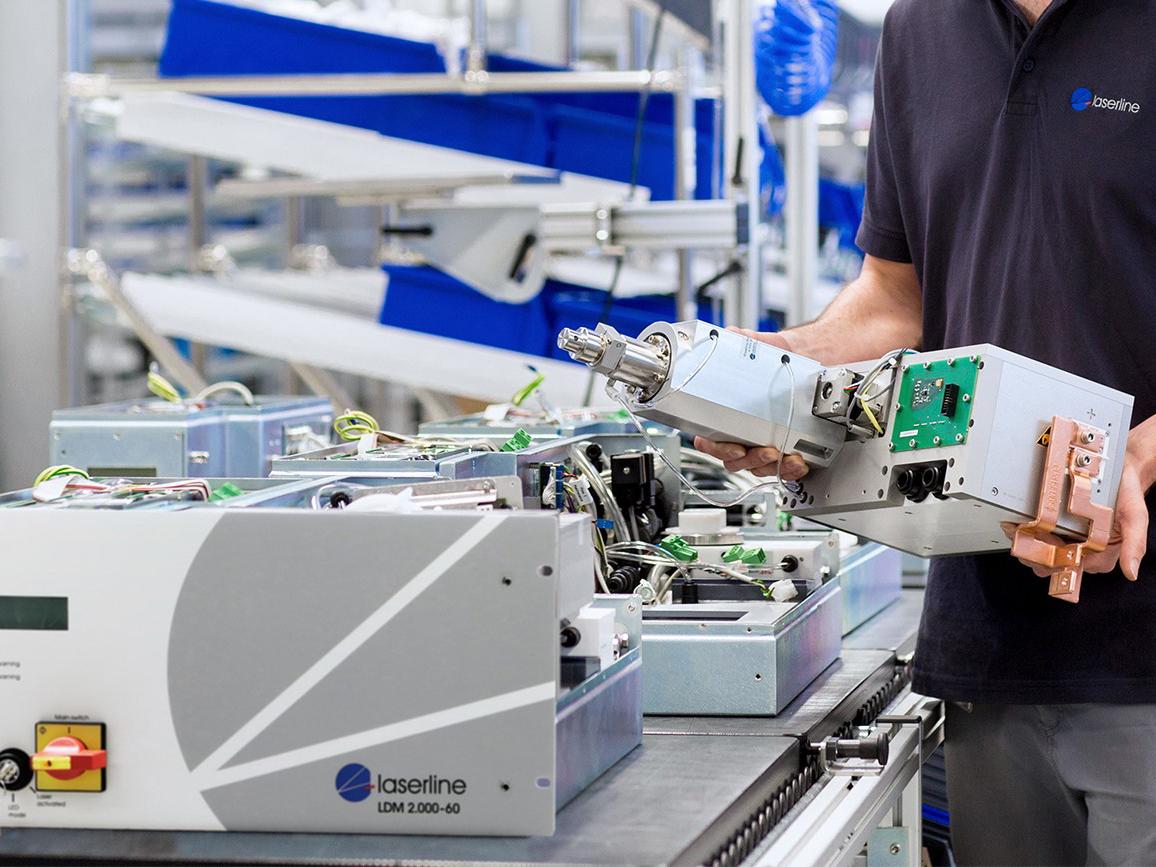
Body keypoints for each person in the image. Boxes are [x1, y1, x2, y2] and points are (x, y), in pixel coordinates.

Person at [696, 1, 1156, 864]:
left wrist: (1135, 453)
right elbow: (896, 298)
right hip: (987, 644)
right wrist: (781, 374)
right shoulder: (921, 28)